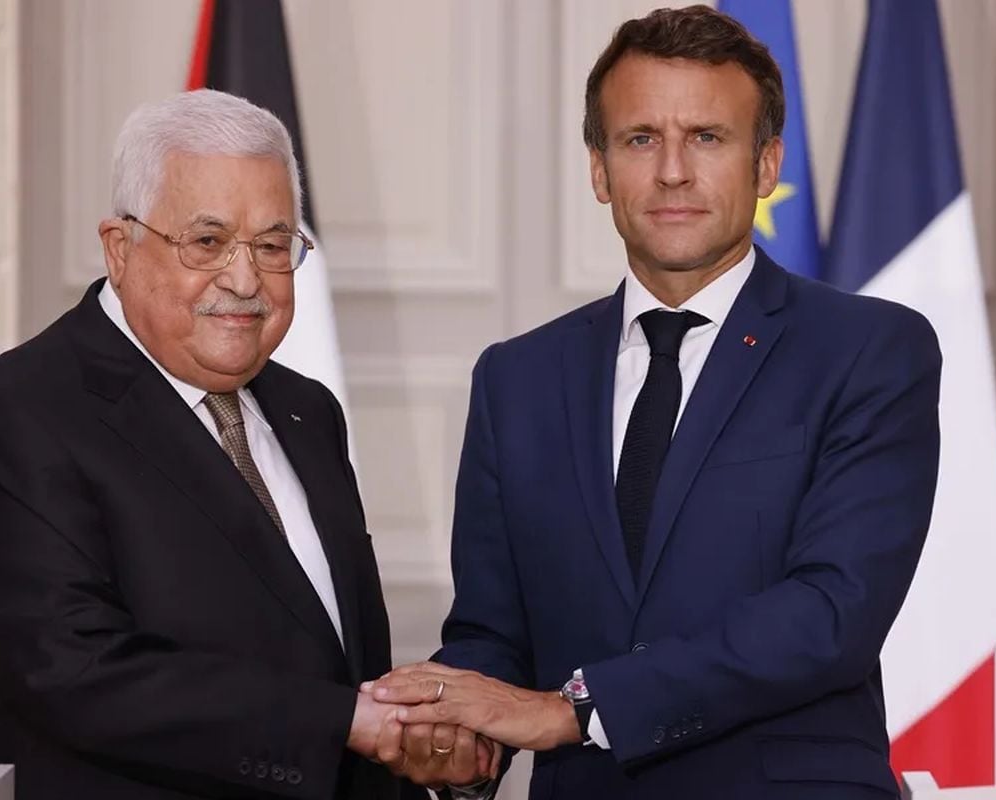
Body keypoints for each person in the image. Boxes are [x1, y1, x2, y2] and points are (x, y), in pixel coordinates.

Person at [366, 6, 941, 799]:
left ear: (766, 165)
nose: (673, 171)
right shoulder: (517, 377)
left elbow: (828, 613)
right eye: (641, 139)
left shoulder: (869, 350)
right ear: (600, 171)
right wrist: (454, 740)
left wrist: (576, 710)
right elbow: (493, 635)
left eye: (707, 137)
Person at [0, 90, 482, 799]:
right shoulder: (9, 420)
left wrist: (421, 756)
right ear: (120, 248)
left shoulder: (308, 411)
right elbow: (75, 674)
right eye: (208, 241)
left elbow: (337, 663)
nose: (245, 279)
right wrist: (344, 720)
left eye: (274, 245)